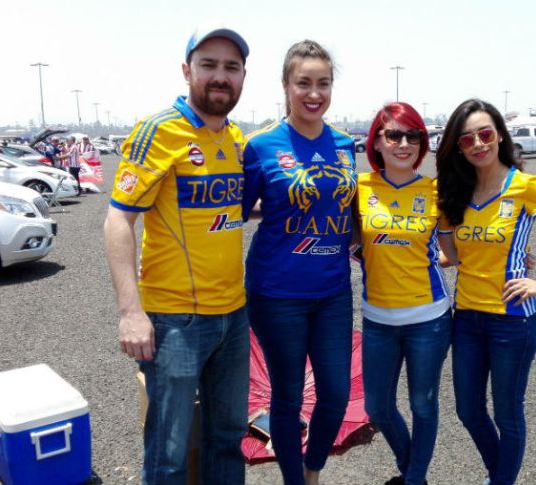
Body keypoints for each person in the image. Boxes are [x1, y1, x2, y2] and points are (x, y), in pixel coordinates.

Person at [103, 26, 250, 485]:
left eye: (231, 67)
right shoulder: (159, 131)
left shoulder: (235, 139)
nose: (220, 76)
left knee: (228, 440)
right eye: (209, 65)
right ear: (187, 71)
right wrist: (131, 312)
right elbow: (118, 219)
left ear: (243, 77)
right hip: (175, 321)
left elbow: (240, 208)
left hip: (234, 316)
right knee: (168, 453)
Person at [435, 98, 536, 485]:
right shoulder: (456, 192)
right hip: (466, 319)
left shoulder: (523, 186)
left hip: (512, 321)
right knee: (468, 411)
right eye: (466, 139)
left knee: (507, 414)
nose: (478, 144)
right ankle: (500, 475)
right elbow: (452, 255)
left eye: (485, 134)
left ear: (500, 136)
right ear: (458, 147)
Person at [241, 39, 357, 485]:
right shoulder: (261, 146)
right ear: (285, 85)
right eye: (303, 83)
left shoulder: (345, 145)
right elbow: (234, 213)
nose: (314, 93)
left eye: (323, 83)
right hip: (276, 294)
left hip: (333, 291)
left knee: (336, 394)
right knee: (287, 398)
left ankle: (313, 469)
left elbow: (356, 214)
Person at [356, 102, 454, 485]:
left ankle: (414, 480)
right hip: (377, 321)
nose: (403, 144)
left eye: (413, 135)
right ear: (376, 142)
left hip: (429, 319)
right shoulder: (359, 188)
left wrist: (518, 256)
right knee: (377, 406)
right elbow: (337, 235)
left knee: (422, 406)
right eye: (393, 135)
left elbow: (456, 250)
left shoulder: (436, 191)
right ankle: (411, 470)